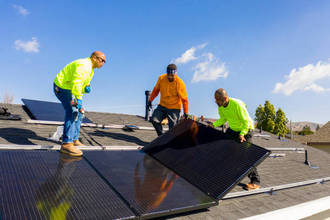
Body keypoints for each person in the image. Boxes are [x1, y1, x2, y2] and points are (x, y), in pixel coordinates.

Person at [53, 51, 106, 157]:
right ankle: (67, 144)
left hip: (70, 89)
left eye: (105, 61)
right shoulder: (84, 66)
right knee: (72, 111)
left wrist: (86, 88)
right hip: (62, 87)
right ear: (94, 58)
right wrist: (79, 100)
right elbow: (76, 83)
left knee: (80, 113)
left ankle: (74, 139)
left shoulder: (91, 71)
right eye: (102, 60)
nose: (103, 63)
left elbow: (81, 85)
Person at [210, 88, 260, 190]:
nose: (216, 102)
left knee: (246, 155)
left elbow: (246, 122)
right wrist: (213, 125)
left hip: (245, 129)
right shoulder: (221, 107)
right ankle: (226, 175)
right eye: (216, 100)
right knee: (225, 148)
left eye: (218, 100)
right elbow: (223, 119)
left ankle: (255, 182)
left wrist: (242, 134)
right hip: (233, 129)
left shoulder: (237, 105)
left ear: (225, 98)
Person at [148, 64, 189, 136]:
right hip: (162, 106)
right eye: (169, 75)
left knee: (172, 130)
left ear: (175, 74)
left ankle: (170, 142)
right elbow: (155, 91)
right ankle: (161, 137)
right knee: (154, 120)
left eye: (172, 75)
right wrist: (150, 100)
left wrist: (186, 112)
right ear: (167, 73)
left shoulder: (180, 83)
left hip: (174, 108)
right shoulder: (161, 78)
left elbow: (184, 100)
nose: (170, 77)